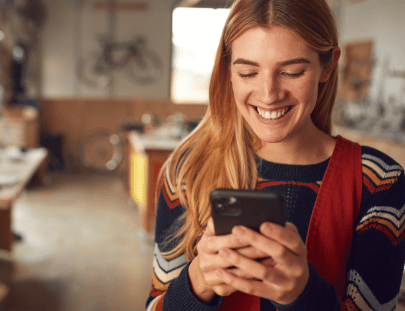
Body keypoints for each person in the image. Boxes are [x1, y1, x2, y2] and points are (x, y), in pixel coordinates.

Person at [146, 0, 405, 310]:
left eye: (292, 71)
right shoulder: (187, 170)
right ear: (228, 69)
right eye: (247, 72)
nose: (269, 94)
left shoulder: (377, 181)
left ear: (328, 65)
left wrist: (304, 295)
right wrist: (199, 281)